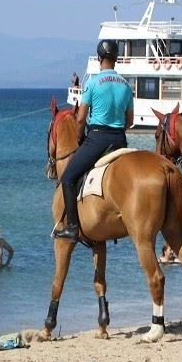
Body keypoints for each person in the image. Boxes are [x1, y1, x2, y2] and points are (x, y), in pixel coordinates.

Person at [54, 39, 134, 241]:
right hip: (120, 140)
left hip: (98, 138)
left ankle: (72, 227)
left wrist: (80, 137)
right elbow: (130, 121)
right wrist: (117, 130)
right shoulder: (126, 85)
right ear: (116, 59)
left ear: (99, 59)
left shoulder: (92, 83)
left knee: (69, 178)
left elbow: (80, 118)